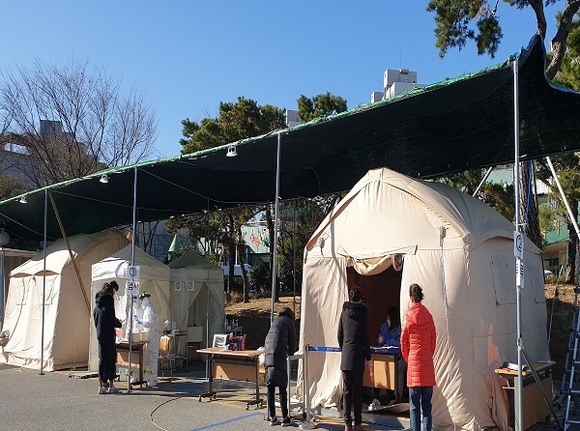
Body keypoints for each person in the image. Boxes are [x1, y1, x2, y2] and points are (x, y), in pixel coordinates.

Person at [401, 284, 436, 431]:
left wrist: (409, 360)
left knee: (414, 406)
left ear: (411, 298)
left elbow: (403, 342)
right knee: (427, 406)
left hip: (414, 365)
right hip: (427, 366)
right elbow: (433, 341)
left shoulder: (408, 317)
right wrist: (427, 355)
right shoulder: (428, 316)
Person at [337, 285, 371, 431]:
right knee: (357, 392)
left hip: (346, 356)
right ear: (360, 299)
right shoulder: (363, 314)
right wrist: (368, 357)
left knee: (347, 392)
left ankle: (347, 423)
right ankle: (357, 423)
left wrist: (344, 348)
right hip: (358, 357)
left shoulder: (344, 313)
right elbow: (365, 338)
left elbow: (339, 335)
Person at [263, 307, 297, 427]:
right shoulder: (289, 322)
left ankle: (273, 418)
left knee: (270, 387)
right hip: (279, 354)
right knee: (282, 387)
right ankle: (286, 418)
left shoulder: (275, 321)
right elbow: (293, 342)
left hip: (268, 354)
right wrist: (291, 353)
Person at [93, 280, 122, 394]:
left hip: (100, 335)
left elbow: (96, 322)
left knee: (102, 360)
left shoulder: (97, 307)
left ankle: (101, 385)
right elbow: (112, 320)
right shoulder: (109, 305)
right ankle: (111, 385)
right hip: (109, 336)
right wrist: (119, 323)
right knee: (110, 360)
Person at [376, 306, 404, 404]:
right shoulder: (385, 326)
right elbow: (381, 339)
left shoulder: (400, 328)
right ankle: (391, 398)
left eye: (388, 317)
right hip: (387, 357)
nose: (387, 319)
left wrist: (387, 341)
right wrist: (380, 340)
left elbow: (400, 342)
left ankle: (398, 397)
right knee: (385, 374)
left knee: (397, 376)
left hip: (398, 358)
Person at [134, 292, 160, 388]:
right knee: (147, 358)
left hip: (152, 336)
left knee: (152, 357)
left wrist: (141, 322)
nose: (141, 302)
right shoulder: (146, 309)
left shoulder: (149, 309)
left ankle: (153, 379)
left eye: (142, 300)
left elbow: (149, 323)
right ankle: (148, 377)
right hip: (149, 335)